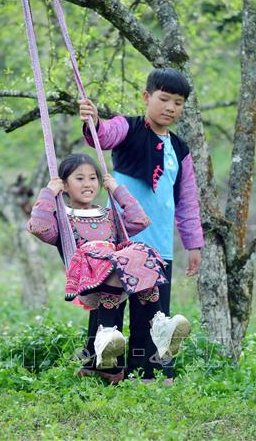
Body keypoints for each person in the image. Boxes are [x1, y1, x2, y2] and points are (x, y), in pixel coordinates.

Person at [78, 67, 204, 382]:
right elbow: (104, 134)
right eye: (164, 99)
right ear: (147, 97)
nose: (170, 107)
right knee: (109, 309)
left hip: (159, 246)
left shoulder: (180, 150)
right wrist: (92, 121)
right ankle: (103, 371)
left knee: (153, 316)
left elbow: (187, 202)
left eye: (178, 102)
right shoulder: (129, 127)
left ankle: (147, 374)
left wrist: (194, 244)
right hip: (119, 244)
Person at [27, 153, 190, 384]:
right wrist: (48, 192)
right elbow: (38, 226)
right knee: (118, 258)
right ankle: (105, 333)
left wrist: (116, 189)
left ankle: (159, 325)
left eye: (93, 178)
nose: (88, 184)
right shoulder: (63, 219)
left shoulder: (109, 215)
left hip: (115, 274)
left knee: (141, 251)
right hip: (88, 277)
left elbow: (140, 220)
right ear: (64, 185)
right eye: (79, 179)